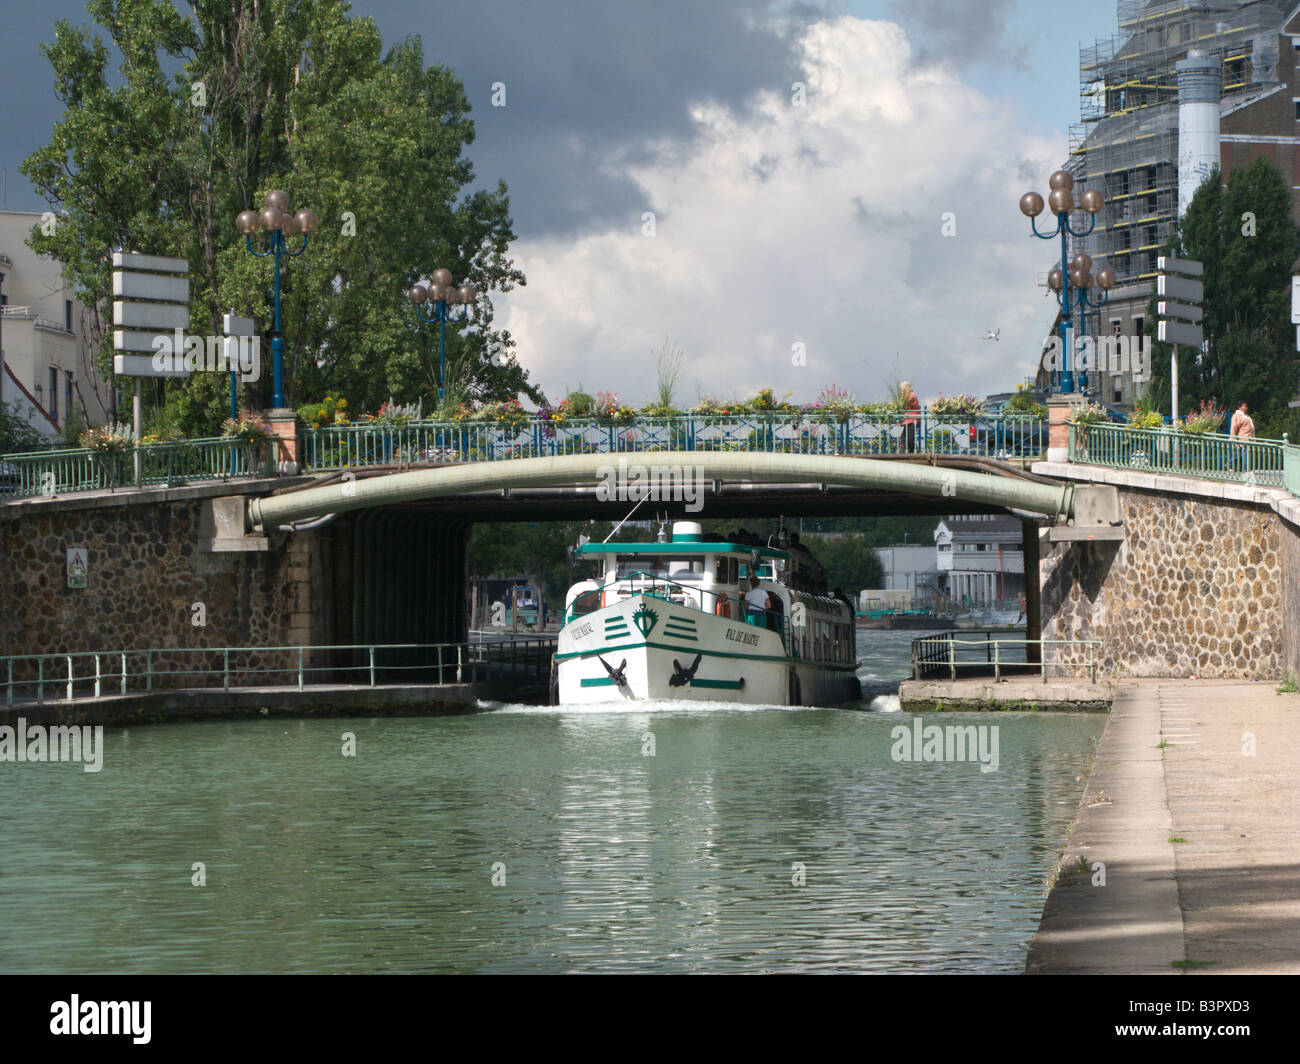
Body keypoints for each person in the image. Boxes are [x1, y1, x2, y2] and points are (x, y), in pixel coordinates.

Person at [1230, 400, 1255, 473]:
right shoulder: (1236, 416)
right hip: (1243, 438)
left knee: (1240, 456)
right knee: (1245, 454)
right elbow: (1234, 427)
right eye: (1245, 406)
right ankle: (1248, 469)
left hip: (1249, 438)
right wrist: (1233, 438)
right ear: (1239, 407)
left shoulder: (1245, 415)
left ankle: (1230, 465)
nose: (1246, 408)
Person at [900, 380, 921, 453]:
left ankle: (913, 452)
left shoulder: (911, 395)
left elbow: (904, 404)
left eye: (901, 389)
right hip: (909, 420)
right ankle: (910, 451)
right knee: (904, 437)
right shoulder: (909, 395)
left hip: (912, 420)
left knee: (909, 438)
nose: (900, 391)